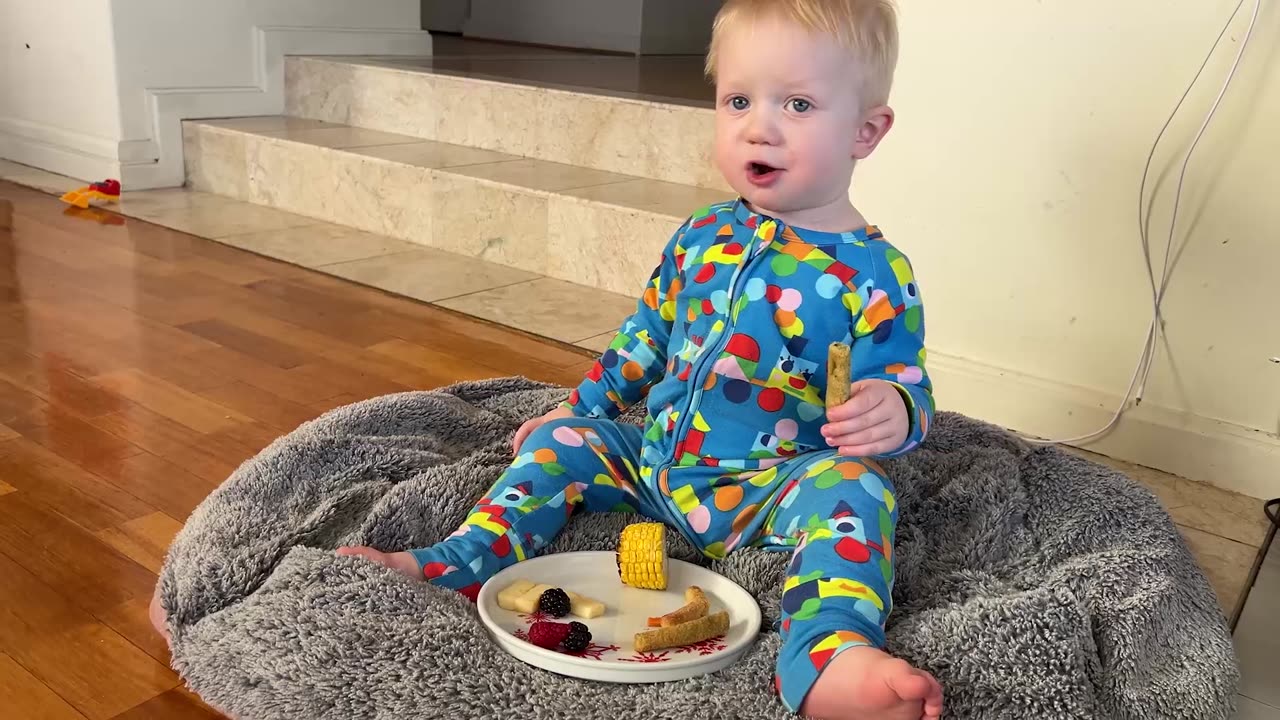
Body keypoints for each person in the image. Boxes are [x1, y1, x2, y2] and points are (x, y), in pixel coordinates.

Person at [338, 1, 944, 716]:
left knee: (859, 492)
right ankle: (455, 564)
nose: (760, 125)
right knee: (562, 441)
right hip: (652, 462)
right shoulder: (700, 236)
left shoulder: (874, 272)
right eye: (738, 100)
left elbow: (904, 382)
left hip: (770, 485)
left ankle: (830, 658)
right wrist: (582, 408)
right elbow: (644, 339)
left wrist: (895, 411)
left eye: (800, 104)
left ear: (865, 132)